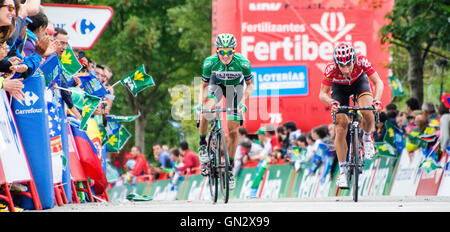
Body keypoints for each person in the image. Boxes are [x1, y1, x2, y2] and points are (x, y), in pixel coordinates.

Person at [318, 42, 384, 188]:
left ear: (354, 60)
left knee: (367, 110)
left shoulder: (361, 60)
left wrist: (377, 101)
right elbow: (322, 94)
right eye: (342, 66)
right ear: (336, 64)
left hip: (359, 83)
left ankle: (367, 138)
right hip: (339, 89)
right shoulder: (331, 69)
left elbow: (378, 82)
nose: (346, 69)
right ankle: (342, 172)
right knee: (340, 127)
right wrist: (331, 102)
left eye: (349, 64)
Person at [194, 33, 253, 189]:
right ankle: (202, 144)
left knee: (233, 131)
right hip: (216, 85)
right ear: (217, 51)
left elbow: (250, 85)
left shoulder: (243, 63)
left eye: (229, 52)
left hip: (235, 88)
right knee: (207, 109)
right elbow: (204, 87)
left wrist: (242, 102)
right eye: (222, 52)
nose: (225, 56)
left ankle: (230, 168)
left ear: (234, 51)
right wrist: (201, 103)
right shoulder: (209, 63)